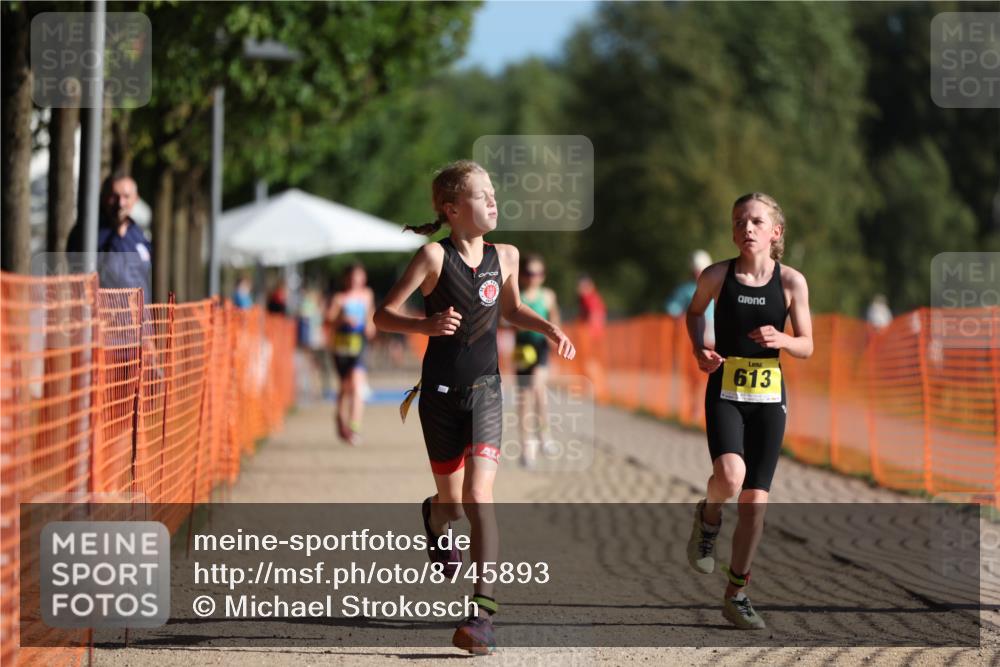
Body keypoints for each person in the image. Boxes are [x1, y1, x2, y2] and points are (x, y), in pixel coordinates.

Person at [373, 160, 575, 654]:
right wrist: (424, 327)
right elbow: (383, 315)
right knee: (454, 508)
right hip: (439, 397)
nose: (493, 201)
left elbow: (509, 309)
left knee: (481, 498)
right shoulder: (432, 259)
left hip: (486, 391)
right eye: (482, 196)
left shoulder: (506, 255)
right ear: (451, 209)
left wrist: (546, 326)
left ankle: (481, 615)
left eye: (493, 194)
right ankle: (434, 518)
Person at [685, 192, 813, 630]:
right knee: (729, 478)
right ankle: (709, 516)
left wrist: (783, 340)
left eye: (757, 221)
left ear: (775, 231)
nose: (747, 228)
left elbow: (807, 344)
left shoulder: (792, 282)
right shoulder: (717, 275)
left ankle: (736, 593)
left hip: (769, 397)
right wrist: (700, 347)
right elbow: (694, 312)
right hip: (726, 389)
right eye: (740, 221)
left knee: (756, 502)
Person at [67, 171, 151, 300]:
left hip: (138, 317)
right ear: (104, 197)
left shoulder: (138, 234)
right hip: (102, 316)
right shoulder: (87, 232)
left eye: (126, 196)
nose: (120, 203)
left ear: (136, 199)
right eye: (114, 197)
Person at [513, 254, 561, 467]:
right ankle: (526, 446)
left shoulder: (548, 295)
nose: (535, 277)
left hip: (541, 348)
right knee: (524, 397)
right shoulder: (517, 296)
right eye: (531, 273)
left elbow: (554, 319)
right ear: (523, 275)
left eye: (540, 273)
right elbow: (506, 321)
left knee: (538, 390)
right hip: (523, 348)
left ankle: (545, 434)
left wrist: (557, 338)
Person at [326, 264, 375, 445]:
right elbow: (328, 318)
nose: (357, 280)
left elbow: (370, 315)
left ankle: (354, 427)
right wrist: (342, 319)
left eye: (360, 276)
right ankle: (339, 418)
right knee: (345, 387)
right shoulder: (339, 298)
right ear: (346, 279)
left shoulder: (367, 295)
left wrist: (370, 326)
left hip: (359, 345)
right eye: (353, 277)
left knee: (357, 383)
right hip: (341, 347)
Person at [666, 250, 715, 348]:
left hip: (713, 337)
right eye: (697, 271)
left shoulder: (717, 288)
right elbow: (672, 308)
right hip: (690, 338)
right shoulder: (685, 290)